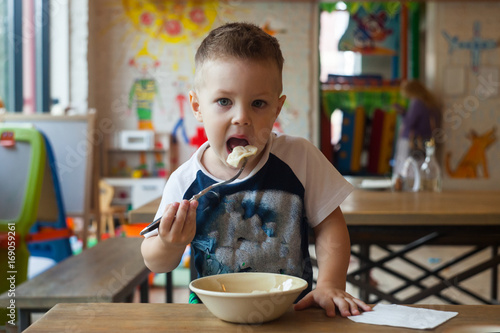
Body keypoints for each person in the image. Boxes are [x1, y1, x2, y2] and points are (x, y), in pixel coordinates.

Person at [141, 22, 371, 317]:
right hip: (213, 317)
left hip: (292, 314)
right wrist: (170, 244)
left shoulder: (299, 158)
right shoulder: (186, 180)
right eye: (224, 101)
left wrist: (329, 283)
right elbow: (155, 262)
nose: (241, 117)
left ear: (277, 108)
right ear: (197, 107)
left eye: (258, 103)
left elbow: (330, 227)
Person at [393, 79, 442, 177]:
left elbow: (409, 123)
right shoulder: (430, 103)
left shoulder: (417, 103)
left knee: (407, 169)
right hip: (425, 140)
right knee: (421, 168)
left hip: (412, 141)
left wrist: (402, 113)